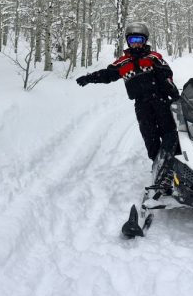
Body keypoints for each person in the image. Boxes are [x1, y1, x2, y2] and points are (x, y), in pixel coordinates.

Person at [76, 22, 179, 189]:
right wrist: (90, 78)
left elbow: (167, 76)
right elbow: (108, 74)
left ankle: (173, 166)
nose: (136, 43)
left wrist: (174, 94)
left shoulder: (154, 57)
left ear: (145, 40)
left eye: (139, 39)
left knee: (169, 134)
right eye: (133, 40)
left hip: (160, 100)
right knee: (150, 137)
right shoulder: (123, 62)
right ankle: (159, 168)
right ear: (128, 41)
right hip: (142, 104)